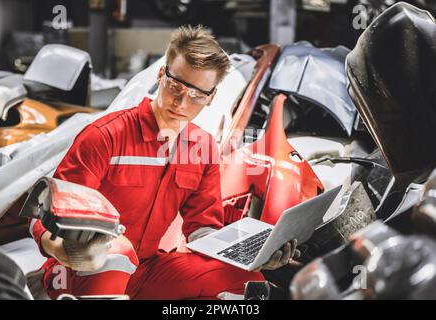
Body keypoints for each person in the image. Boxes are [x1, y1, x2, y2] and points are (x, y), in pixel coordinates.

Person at [29, 25, 300, 300]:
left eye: (197, 95)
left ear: (211, 98)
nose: (182, 102)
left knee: (247, 282)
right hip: (78, 271)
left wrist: (253, 254)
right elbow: (43, 216)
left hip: (146, 269)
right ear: (161, 75)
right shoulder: (104, 137)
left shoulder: (202, 147)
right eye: (176, 85)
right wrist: (63, 250)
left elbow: (202, 229)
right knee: (116, 251)